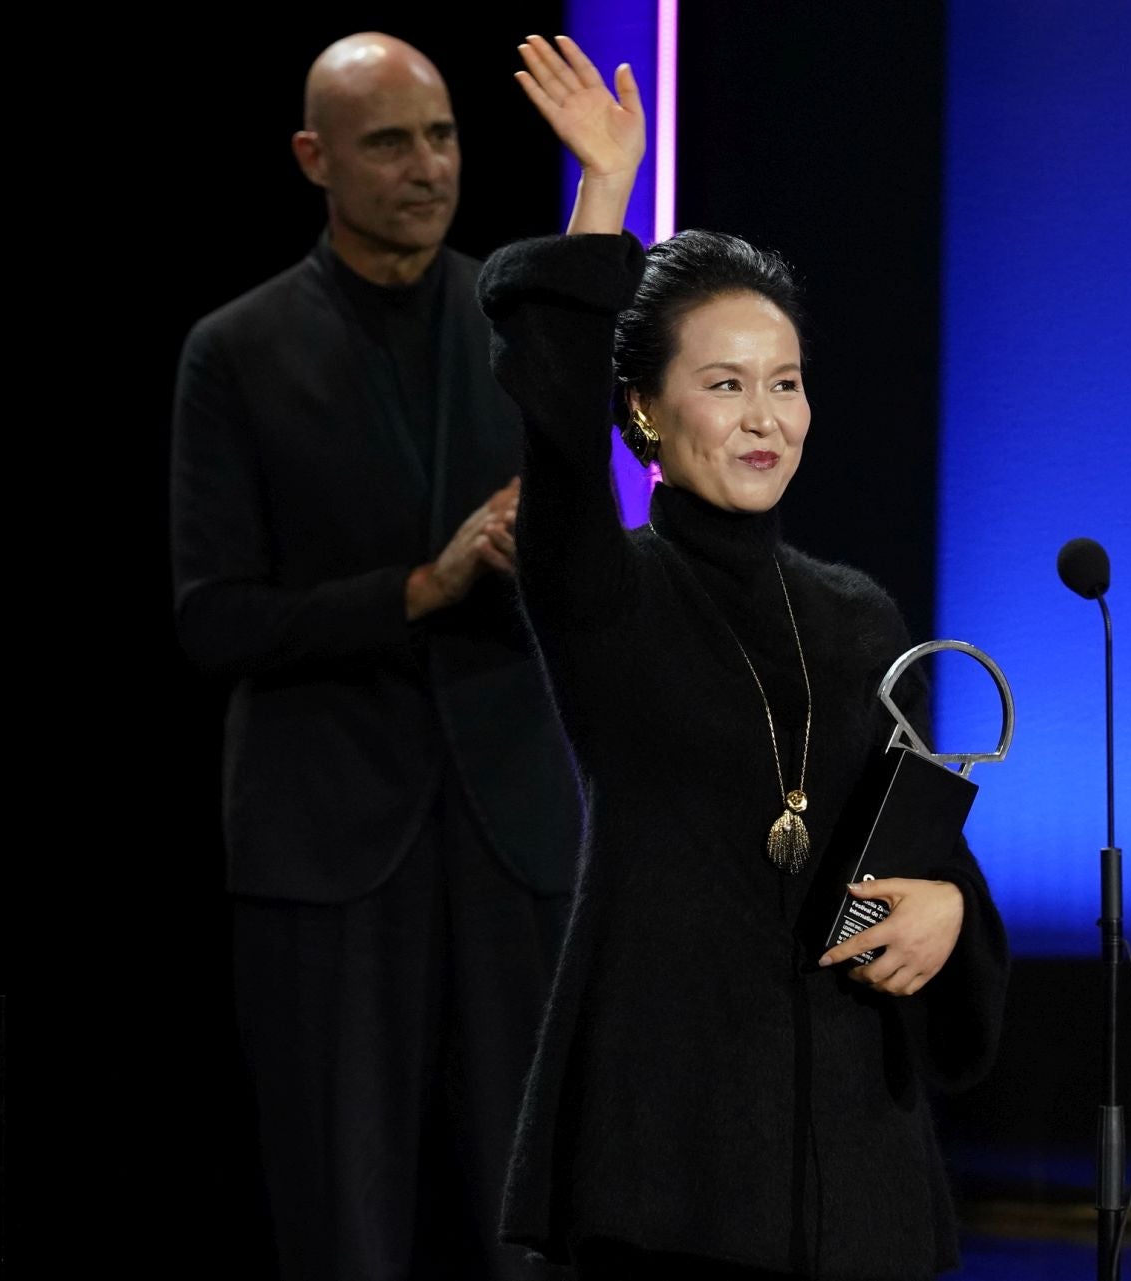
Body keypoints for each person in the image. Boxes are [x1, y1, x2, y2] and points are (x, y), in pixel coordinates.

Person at [476, 35, 1010, 1280]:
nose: (767, 416)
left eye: (788, 383)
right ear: (648, 415)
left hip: (855, 1160)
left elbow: (924, 860)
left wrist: (945, 912)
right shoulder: (604, 589)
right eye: (726, 383)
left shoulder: (861, 616)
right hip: (667, 1157)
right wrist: (604, 191)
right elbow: (554, 428)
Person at [170, 32, 579, 1281]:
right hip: (328, 841)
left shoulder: (512, 326)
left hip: (514, 831)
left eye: (444, 136)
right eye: (390, 142)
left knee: (535, 1224)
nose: (427, 167)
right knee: (342, 1225)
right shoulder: (235, 351)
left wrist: (546, 553)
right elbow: (215, 619)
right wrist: (420, 587)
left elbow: (593, 586)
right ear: (315, 158)